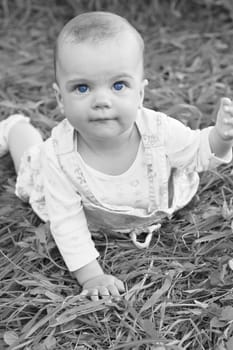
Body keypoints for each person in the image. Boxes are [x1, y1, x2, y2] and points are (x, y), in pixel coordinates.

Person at [1, 11, 233, 301]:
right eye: (82, 88)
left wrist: (221, 139)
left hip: (146, 204)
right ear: (61, 98)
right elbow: (67, 223)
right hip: (65, 188)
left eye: (118, 85)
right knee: (29, 160)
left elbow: (199, 153)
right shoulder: (57, 158)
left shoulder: (159, 132)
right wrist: (92, 275)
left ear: (140, 93)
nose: (101, 101)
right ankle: (14, 129)